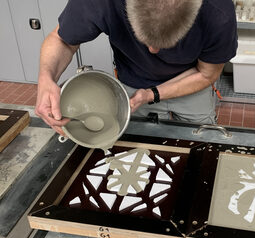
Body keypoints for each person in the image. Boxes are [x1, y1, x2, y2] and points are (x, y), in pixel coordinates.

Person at [35, 0, 238, 136]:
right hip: (132, 84)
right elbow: (62, 40)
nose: (152, 50)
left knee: (203, 140)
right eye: (144, 40)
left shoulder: (218, 11)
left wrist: (151, 94)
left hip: (192, 82)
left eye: (167, 43)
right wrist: (46, 77)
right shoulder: (100, 2)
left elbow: (207, 74)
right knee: (136, 144)